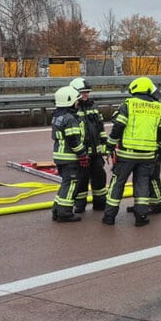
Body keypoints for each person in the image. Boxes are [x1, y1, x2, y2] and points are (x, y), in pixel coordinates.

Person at [102, 77, 161, 227]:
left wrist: (109, 146)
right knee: (142, 184)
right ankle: (141, 216)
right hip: (147, 155)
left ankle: (109, 216)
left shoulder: (128, 105)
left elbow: (118, 126)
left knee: (117, 183)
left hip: (126, 154)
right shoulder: (159, 108)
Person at [68, 77, 108, 212]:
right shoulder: (71, 110)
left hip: (96, 153)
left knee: (99, 178)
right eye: (82, 92)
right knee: (81, 180)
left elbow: (101, 128)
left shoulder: (94, 107)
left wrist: (105, 146)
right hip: (81, 154)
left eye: (87, 92)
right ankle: (80, 205)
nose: (85, 95)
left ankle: (100, 203)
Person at [50, 86, 86, 223]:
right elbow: (73, 140)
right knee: (71, 185)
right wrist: (82, 153)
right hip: (69, 157)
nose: (78, 103)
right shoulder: (70, 119)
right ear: (69, 101)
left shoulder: (57, 116)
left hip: (59, 156)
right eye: (76, 101)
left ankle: (57, 209)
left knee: (65, 184)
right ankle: (65, 213)